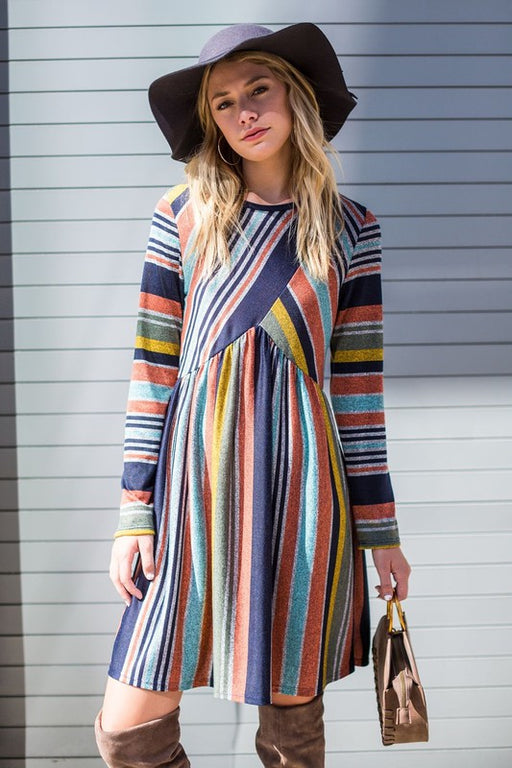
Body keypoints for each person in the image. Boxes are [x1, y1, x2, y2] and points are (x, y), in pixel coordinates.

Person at [94, 22, 411, 768]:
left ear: (294, 96)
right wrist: (134, 512)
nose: (245, 112)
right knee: (128, 731)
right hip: (191, 497)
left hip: (303, 499)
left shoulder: (351, 229)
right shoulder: (182, 217)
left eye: (258, 90)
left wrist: (382, 533)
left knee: (291, 732)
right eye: (225, 102)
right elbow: (153, 371)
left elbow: (358, 395)